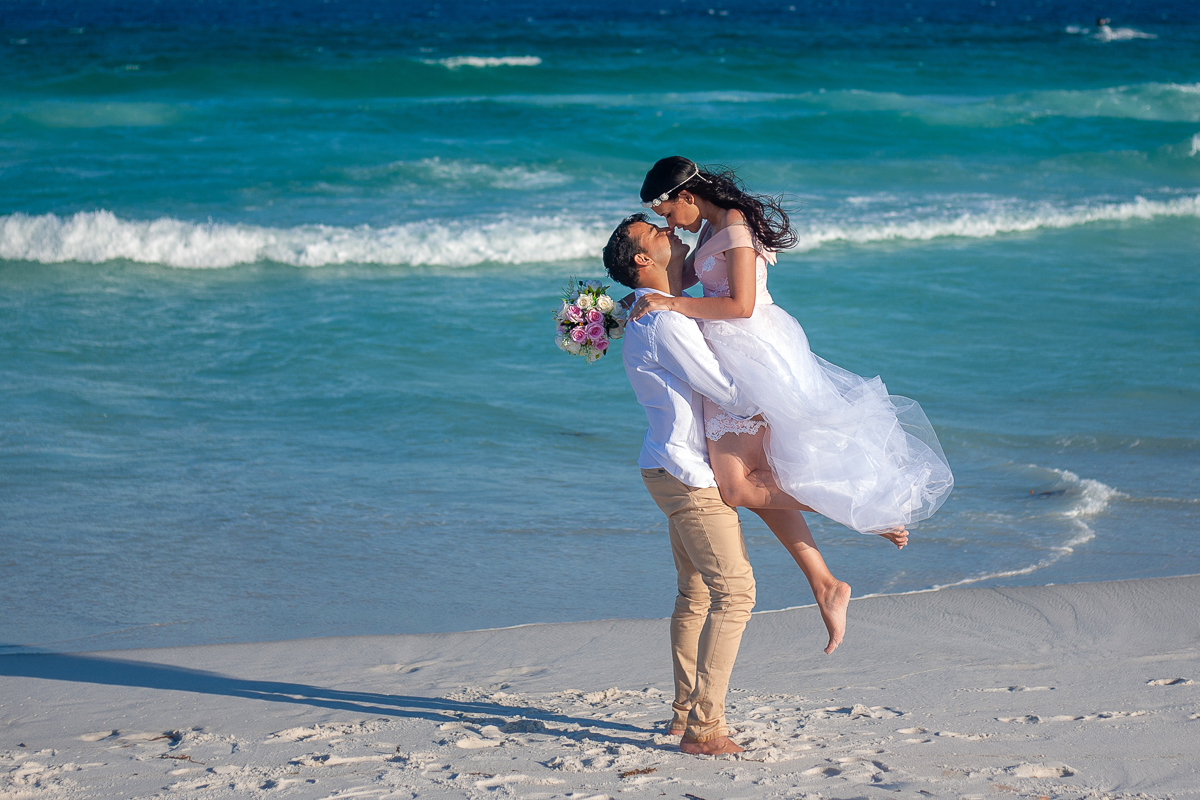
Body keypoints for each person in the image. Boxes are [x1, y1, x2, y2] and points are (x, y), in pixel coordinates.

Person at [628, 157, 954, 649]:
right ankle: (826, 580)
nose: (669, 225)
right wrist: (615, 308)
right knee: (752, 481)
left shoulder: (734, 227)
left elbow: (740, 305)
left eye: (668, 213)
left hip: (752, 353)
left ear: (687, 198)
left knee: (739, 488)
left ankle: (862, 511)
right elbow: (673, 278)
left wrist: (672, 305)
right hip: (730, 351)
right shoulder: (713, 228)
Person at [602, 212, 760, 755]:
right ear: (643, 259)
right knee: (734, 593)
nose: (667, 228)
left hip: (667, 467)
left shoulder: (656, 315)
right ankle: (703, 729)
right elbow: (729, 391)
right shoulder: (663, 323)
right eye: (654, 231)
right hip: (688, 475)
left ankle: (682, 715)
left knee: (695, 595)